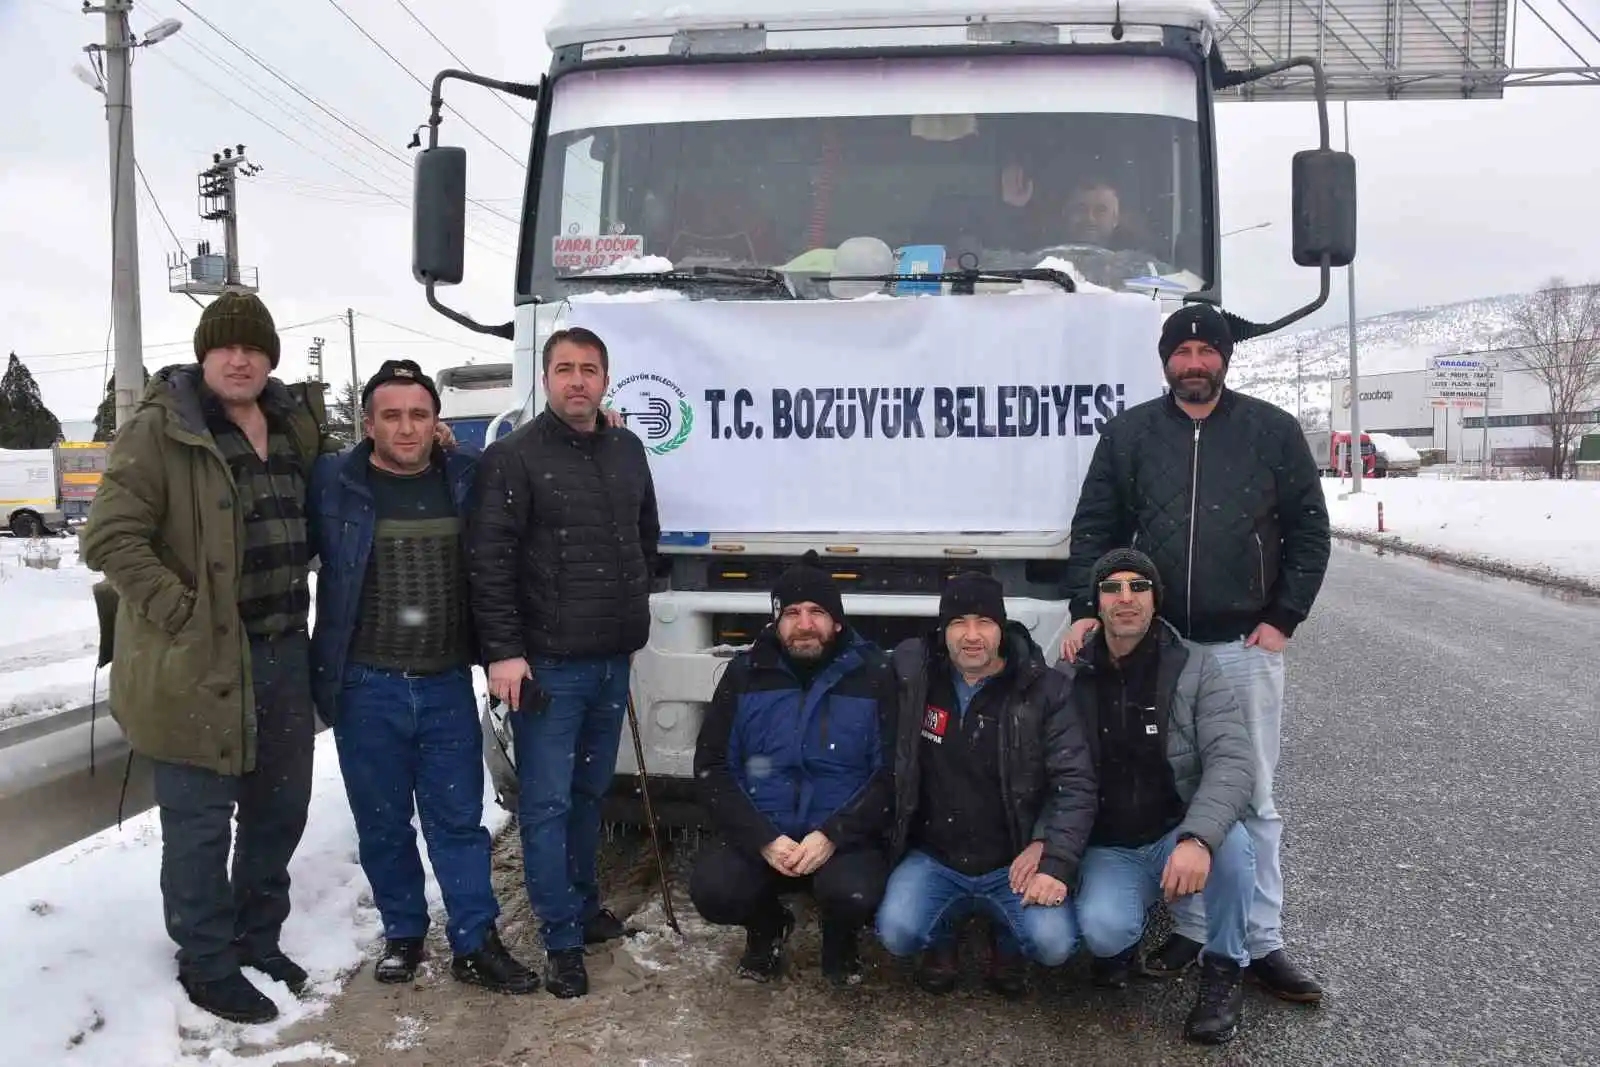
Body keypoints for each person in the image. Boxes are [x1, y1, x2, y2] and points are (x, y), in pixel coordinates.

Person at [1061, 303, 1331, 1003]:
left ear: (1224, 358)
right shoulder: (1131, 434)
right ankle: (1194, 927)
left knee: (1256, 794)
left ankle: (1262, 941)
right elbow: (1093, 528)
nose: (1194, 363)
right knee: (1170, 784)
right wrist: (1088, 610)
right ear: (1165, 363)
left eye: (1206, 351)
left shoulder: (1271, 431)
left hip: (1244, 643)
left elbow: (1309, 530)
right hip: (1156, 647)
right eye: (1181, 353)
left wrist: (1284, 618)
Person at [81, 293, 335, 1024]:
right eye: (224, 347)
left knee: (278, 810)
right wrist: (183, 612)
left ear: (269, 357)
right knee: (199, 824)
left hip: (284, 652)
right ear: (203, 353)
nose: (239, 358)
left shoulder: (293, 426)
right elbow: (108, 536)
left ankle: (258, 936)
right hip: (197, 662)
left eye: (252, 347)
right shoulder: (161, 431)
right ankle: (206, 960)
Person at [308, 359, 536, 994]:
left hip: (442, 685)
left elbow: (530, 457)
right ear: (368, 422)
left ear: (437, 422)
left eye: (418, 414)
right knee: (382, 821)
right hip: (365, 685)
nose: (405, 428)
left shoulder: (467, 477)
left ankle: (474, 941)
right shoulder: (334, 482)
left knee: (458, 821)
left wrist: (600, 422)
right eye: (391, 415)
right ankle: (403, 933)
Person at [468, 326, 661, 999]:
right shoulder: (513, 458)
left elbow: (646, 536)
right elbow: (488, 563)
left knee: (588, 794)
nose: (577, 381)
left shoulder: (627, 448)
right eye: (564, 369)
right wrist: (504, 652)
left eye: (590, 369)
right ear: (545, 379)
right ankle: (559, 939)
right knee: (547, 804)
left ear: (606, 378)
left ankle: (581, 906)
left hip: (611, 658)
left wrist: (626, 610)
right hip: (547, 666)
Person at [1066, 549, 1256, 1045]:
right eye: (1112, 588)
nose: (1125, 598)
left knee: (1232, 848)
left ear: (1155, 598)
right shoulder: (1070, 673)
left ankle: (1224, 968)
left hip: (1176, 828)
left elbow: (1233, 761)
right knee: (1104, 933)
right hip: (1110, 844)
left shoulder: (1195, 666)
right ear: (1097, 602)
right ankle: (1128, 926)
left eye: (1138, 586)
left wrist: (1198, 838)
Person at [876, 573, 1096, 997]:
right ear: (943, 630)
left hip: (1012, 862)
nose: (971, 636)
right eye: (959, 622)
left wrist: (1047, 846)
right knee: (897, 933)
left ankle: (1007, 940)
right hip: (935, 856)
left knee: (1054, 944)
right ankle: (942, 937)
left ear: (1002, 627)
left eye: (984, 622)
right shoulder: (916, 676)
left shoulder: (1045, 690)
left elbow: (1076, 781)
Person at [689, 552, 895, 986]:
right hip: (767, 829)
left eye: (818, 612)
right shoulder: (745, 674)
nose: (805, 624)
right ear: (775, 622)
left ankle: (840, 936)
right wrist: (763, 838)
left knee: (855, 893)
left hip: (842, 837)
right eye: (792, 613)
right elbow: (712, 767)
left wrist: (833, 834)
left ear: (837, 622)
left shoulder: (875, 675)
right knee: (715, 892)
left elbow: (890, 774)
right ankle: (767, 926)